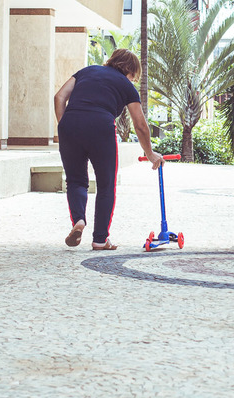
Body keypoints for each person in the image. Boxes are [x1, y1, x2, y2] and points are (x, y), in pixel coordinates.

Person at [54, 48, 163, 250]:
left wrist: (65, 125)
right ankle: (100, 239)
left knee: (76, 180)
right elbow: (140, 124)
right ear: (130, 71)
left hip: (70, 125)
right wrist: (150, 153)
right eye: (134, 76)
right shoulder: (126, 85)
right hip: (101, 127)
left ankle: (79, 220)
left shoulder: (86, 71)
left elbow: (59, 97)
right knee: (106, 185)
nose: (133, 80)